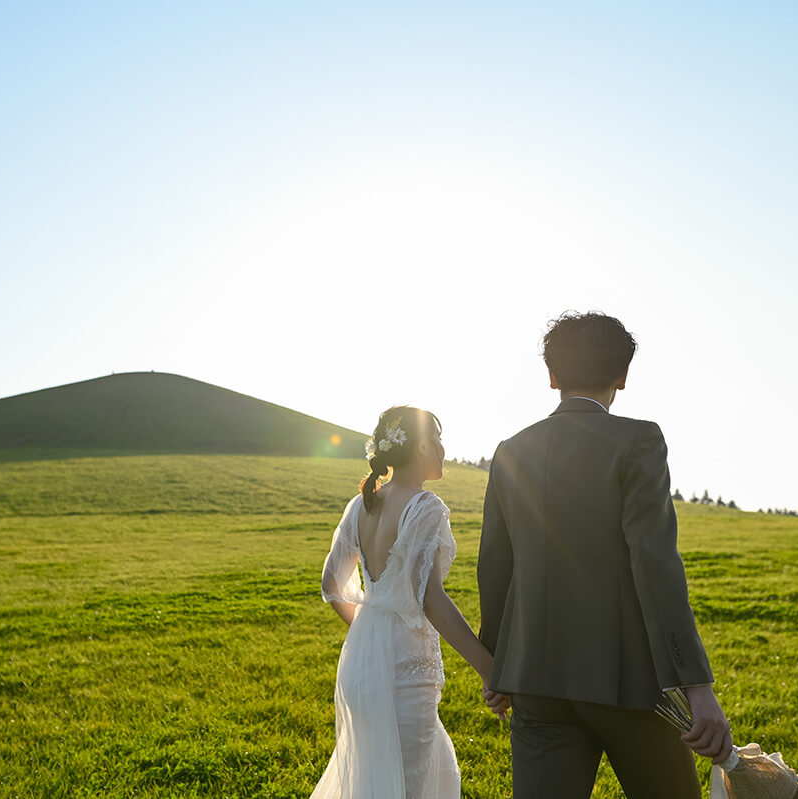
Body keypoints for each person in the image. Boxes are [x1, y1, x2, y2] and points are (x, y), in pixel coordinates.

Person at [477, 311, 733, 798]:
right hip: (627, 682)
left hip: (534, 681)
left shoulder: (510, 450)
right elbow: (654, 564)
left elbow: (494, 567)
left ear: (551, 376)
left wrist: (498, 666)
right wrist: (697, 687)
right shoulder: (638, 441)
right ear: (623, 375)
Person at [312, 406, 510, 798]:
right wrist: (489, 669)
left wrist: (372, 634)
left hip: (363, 669)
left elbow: (332, 583)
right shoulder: (425, 506)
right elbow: (429, 598)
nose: (442, 449)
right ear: (419, 445)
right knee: (410, 785)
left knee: (377, 780)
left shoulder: (360, 506)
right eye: (436, 439)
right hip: (406, 671)